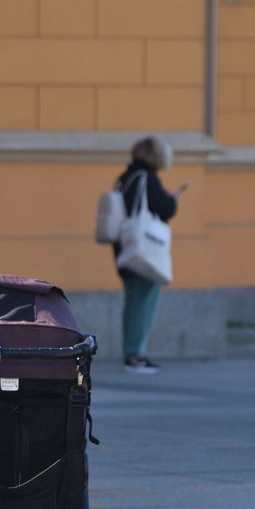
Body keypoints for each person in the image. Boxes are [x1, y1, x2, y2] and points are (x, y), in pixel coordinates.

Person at [113, 136, 186, 375]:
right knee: (144, 301)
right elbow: (164, 208)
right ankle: (136, 355)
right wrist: (173, 200)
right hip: (144, 250)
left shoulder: (125, 178)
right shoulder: (147, 178)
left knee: (133, 300)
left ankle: (132, 352)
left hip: (125, 247)